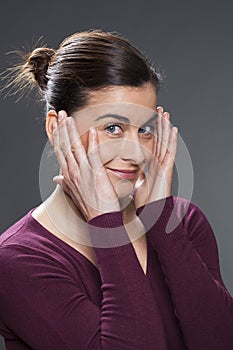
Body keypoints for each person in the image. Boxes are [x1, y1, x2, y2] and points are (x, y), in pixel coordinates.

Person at [0, 29, 232, 350]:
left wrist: (161, 219)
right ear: (57, 128)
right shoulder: (16, 261)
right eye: (113, 127)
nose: (136, 153)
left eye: (145, 129)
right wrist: (106, 223)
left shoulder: (184, 222)